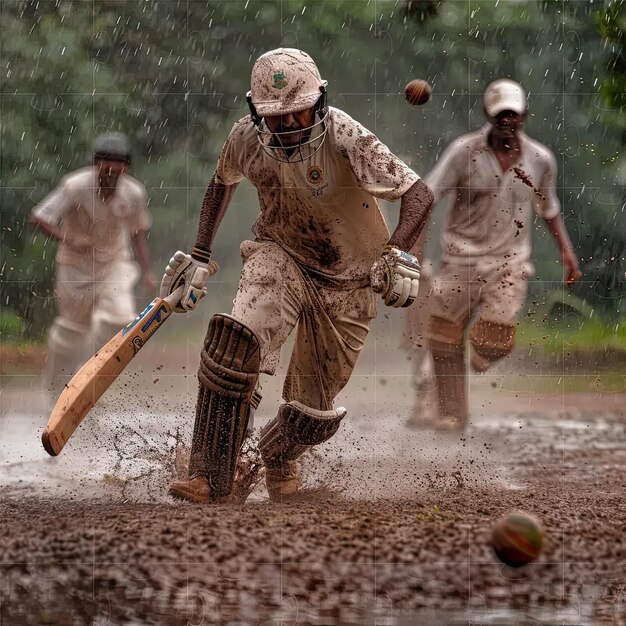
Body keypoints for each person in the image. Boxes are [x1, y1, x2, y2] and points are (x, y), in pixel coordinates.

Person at [159, 48, 434, 503]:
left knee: (311, 415)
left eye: (296, 112)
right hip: (279, 255)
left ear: (319, 102)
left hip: (349, 279)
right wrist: (200, 255)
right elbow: (220, 182)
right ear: (255, 111)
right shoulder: (246, 138)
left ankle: (276, 456)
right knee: (236, 348)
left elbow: (418, 193)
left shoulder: (345, 135)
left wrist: (395, 252)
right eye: (275, 116)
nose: (287, 125)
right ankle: (209, 472)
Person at [405, 79, 582, 432]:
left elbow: (549, 209)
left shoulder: (540, 159)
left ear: (524, 116)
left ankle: (463, 366)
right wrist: (415, 250)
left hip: (509, 263)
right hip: (460, 259)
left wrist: (567, 252)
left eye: (512, 114)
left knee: (494, 339)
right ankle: (451, 412)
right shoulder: (463, 152)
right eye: (500, 113)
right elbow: (426, 196)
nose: (506, 120)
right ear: (488, 113)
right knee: (442, 337)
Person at [30, 132, 156, 396]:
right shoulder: (75, 186)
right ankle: (57, 388)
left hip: (114, 263)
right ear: (95, 163)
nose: (109, 169)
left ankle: (93, 375)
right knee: (72, 331)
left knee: (120, 317)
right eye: (104, 163)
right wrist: (68, 238)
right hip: (75, 267)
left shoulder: (133, 193)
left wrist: (146, 271)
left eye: (116, 163)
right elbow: (39, 217)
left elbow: (137, 233)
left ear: (126, 167)